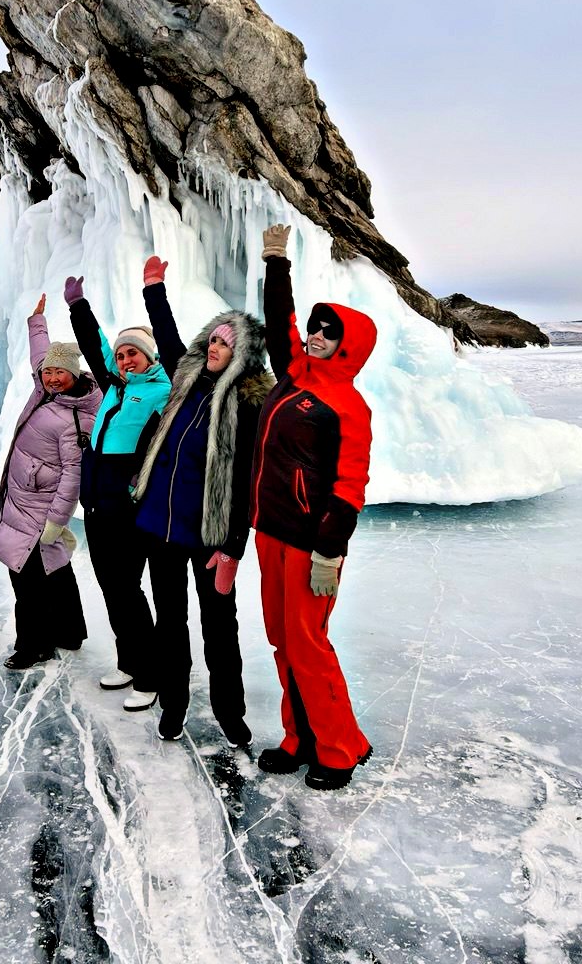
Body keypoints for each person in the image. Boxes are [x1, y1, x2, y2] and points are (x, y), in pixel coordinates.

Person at [251, 224, 377, 790]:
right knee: (282, 638)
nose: (318, 335)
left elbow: (350, 485)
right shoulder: (295, 376)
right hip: (271, 532)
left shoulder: (348, 406)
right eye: (316, 327)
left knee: (309, 643)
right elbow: (280, 326)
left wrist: (330, 550)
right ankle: (299, 737)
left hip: (310, 542)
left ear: (348, 344)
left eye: (330, 332)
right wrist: (277, 263)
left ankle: (339, 749)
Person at [133, 255, 273, 745]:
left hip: (209, 536)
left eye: (225, 344)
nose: (215, 347)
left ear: (243, 355)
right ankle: (174, 706)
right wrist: (154, 289)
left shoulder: (250, 402)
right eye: (212, 338)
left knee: (220, 630)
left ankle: (230, 714)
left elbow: (247, 482)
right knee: (170, 625)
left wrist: (234, 546)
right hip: (159, 528)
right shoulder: (186, 379)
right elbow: (167, 337)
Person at [63, 274, 172, 711]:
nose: (126, 360)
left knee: (127, 588)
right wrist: (78, 308)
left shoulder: (163, 391)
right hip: (98, 504)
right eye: (123, 354)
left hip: (129, 505)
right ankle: (129, 660)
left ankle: (150, 674)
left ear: (151, 357)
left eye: (134, 354)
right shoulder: (115, 387)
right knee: (111, 587)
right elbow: (95, 347)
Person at [0, 294, 102, 669]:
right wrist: (37, 322)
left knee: (26, 576)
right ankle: (70, 632)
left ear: (75, 375)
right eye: (49, 373)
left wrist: (56, 521)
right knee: (54, 568)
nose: (51, 378)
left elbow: (74, 474)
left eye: (59, 373)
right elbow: (41, 359)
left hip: (39, 506)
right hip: (23, 496)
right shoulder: (47, 390)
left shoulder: (77, 416)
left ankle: (32, 646)